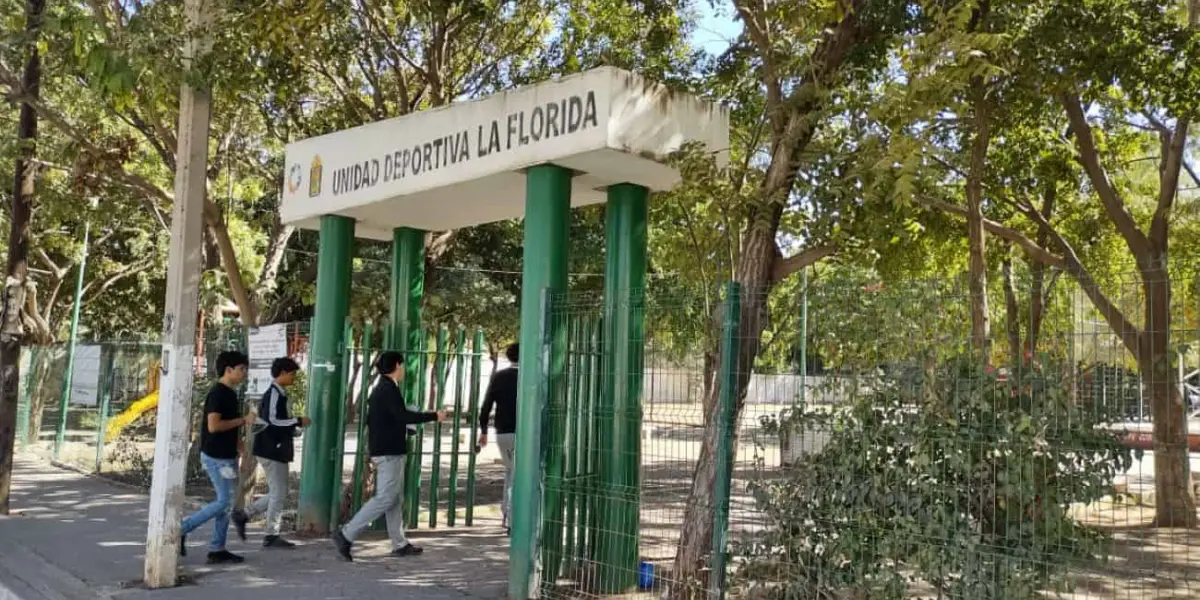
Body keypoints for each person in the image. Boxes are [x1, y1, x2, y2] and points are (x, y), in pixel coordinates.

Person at [331, 351, 447, 561]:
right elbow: (402, 416)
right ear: (396, 365)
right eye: (402, 365)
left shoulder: (382, 388)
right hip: (389, 451)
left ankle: (399, 543)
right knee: (385, 497)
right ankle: (346, 533)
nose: (403, 369)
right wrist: (433, 415)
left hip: (386, 449)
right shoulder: (388, 389)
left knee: (394, 498)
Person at [180, 351, 255, 564]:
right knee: (224, 501)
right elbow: (214, 426)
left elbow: (228, 426)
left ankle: (217, 548)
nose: (244, 373)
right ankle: (182, 529)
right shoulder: (218, 393)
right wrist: (243, 421)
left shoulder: (231, 394)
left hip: (227, 455)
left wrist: (239, 446)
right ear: (228, 370)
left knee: (227, 502)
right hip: (215, 457)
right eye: (241, 369)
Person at [232, 357, 310, 548]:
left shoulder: (279, 394)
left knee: (278, 492)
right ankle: (270, 533)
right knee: (279, 492)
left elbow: (278, 422)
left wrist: (293, 429)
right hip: (271, 449)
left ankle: (245, 515)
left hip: (273, 448)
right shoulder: (274, 394)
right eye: (291, 374)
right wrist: (298, 421)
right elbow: (272, 421)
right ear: (282, 373)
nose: (293, 378)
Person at [478, 343, 518, 534]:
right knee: (519, 474)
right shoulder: (530, 377)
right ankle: (512, 518)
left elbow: (486, 404)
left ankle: (507, 513)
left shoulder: (499, 376)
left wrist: (483, 430)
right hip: (523, 433)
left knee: (510, 471)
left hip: (503, 432)